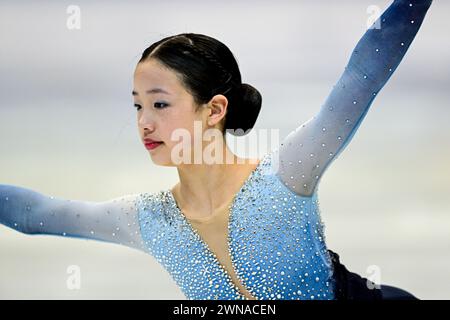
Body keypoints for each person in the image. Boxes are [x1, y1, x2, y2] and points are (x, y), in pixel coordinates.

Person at [0, 0, 433, 300]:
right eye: (137, 105)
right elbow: (36, 215)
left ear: (215, 110)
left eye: (160, 103)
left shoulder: (284, 177)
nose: (144, 122)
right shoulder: (150, 220)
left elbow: (363, 76)